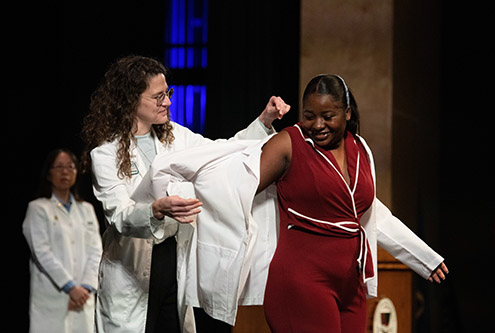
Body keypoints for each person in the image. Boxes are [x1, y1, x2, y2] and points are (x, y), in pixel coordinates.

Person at [80, 55, 289, 333]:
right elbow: (119, 214)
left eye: (168, 93)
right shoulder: (105, 154)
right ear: (130, 99)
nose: (167, 102)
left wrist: (263, 122)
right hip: (131, 270)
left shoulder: (175, 137)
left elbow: (222, 154)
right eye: (157, 97)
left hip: (172, 263)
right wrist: (155, 210)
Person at [257, 74, 449, 332]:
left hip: (350, 287)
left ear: (346, 113)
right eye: (309, 115)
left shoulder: (359, 147)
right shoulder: (289, 143)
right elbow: (238, 185)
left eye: (327, 116)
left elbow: (373, 215)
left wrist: (423, 258)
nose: (317, 125)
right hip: (301, 282)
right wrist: (261, 125)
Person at [22, 149, 102, 333]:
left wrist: (85, 288)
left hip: (83, 297)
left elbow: (95, 250)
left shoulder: (86, 209)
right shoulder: (38, 208)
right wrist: (70, 287)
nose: (65, 172)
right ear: (49, 173)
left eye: (70, 167)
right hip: (53, 297)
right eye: (59, 167)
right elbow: (42, 252)